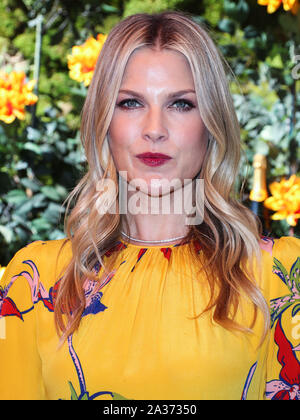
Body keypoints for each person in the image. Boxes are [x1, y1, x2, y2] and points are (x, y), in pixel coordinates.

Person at [0, 11, 299, 401]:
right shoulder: (36, 280)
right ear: (103, 122)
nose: (154, 128)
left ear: (212, 125)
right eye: (130, 103)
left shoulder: (276, 277)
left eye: (180, 104)